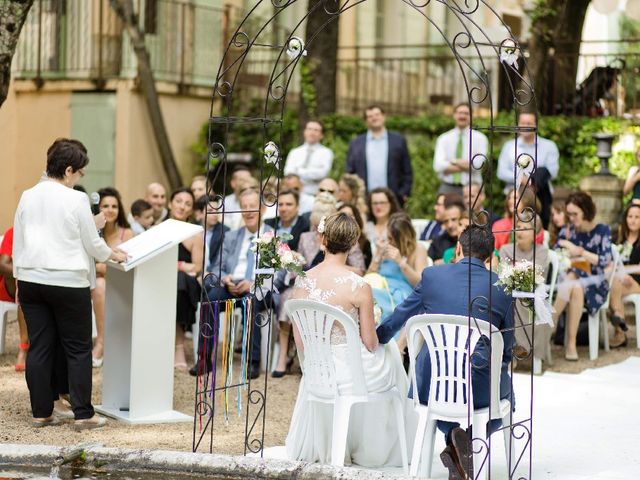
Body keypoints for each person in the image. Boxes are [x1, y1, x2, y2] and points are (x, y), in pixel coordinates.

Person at [377, 225, 514, 479]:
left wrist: (379, 337)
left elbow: (401, 316)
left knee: (436, 396)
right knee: (509, 397)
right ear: (489, 257)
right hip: (481, 386)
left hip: (433, 382)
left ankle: (453, 436)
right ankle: (468, 440)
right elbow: (506, 349)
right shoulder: (503, 287)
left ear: (458, 248)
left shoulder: (432, 277)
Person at [13, 138, 127, 429]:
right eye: (79, 173)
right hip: (67, 281)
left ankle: (41, 412)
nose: (79, 178)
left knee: (39, 347)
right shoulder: (75, 198)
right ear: (67, 170)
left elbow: (19, 241)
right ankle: (83, 414)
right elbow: (93, 245)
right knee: (77, 348)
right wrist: (113, 254)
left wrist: (18, 276)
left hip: (30, 278)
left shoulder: (28, 194)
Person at [286, 212, 408, 467]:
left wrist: (316, 359)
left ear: (322, 239)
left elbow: (299, 340)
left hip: (317, 371)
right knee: (393, 355)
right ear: (353, 243)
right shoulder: (358, 285)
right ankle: (375, 446)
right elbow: (370, 343)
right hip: (351, 374)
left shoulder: (301, 281)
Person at [205, 188, 275, 379]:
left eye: (253, 206)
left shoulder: (272, 237)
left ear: (263, 209)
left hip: (258, 286)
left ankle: (252, 361)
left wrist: (253, 283)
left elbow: (279, 272)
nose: (248, 211)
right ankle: (204, 357)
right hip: (231, 284)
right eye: (244, 207)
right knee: (210, 299)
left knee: (251, 302)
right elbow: (217, 265)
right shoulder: (232, 236)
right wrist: (225, 278)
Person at [552, 191, 612, 361]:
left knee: (574, 276)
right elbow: (557, 251)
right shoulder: (568, 230)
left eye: (574, 214)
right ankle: (571, 343)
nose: (570, 218)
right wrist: (568, 247)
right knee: (576, 285)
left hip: (595, 283)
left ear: (585, 211)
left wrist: (581, 253)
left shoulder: (602, 230)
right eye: (568, 214)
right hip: (574, 285)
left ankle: (551, 319)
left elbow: (605, 260)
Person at [499, 215, 551, 366]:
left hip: (533, 295)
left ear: (535, 234)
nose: (520, 231)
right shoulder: (506, 249)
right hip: (511, 293)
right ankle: (512, 353)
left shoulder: (542, 251)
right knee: (510, 303)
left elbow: (536, 275)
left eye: (525, 229)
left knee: (532, 305)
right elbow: (503, 274)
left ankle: (525, 351)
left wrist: (516, 273)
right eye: (518, 227)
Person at [91, 187, 135, 367]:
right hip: (93, 285)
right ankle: (101, 341)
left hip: (121, 284)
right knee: (100, 284)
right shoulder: (91, 233)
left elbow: (128, 265)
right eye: (105, 206)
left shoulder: (128, 233)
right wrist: (104, 268)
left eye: (114, 206)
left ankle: (103, 342)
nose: (110, 210)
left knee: (100, 282)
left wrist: (101, 266)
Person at [497, 112, 559, 228]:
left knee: (539, 230)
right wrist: (522, 179)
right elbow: (501, 172)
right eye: (522, 123)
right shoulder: (510, 146)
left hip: (540, 197)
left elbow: (552, 172)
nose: (525, 126)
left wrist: (533, 182)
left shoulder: (549, 146)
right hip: (514, 197)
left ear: (536, 125)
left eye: (529, 123)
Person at [367, 213, 429, 321]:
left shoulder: (418, 249)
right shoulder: (385, 247)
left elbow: (421, 283)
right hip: (380, 288)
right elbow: (368, 276)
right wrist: (378, 255)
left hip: (400, 294)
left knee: (374, 303)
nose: (389, 242)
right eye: (388, 237)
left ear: (402, 238)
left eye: (392, 239)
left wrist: (401, 263)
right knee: (365, 296)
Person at [346, 105, 412, 205]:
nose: (374, 118)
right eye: (370, 116)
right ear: (366, 121)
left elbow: (407, 170)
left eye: (377, 114)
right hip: (364, 199)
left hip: (393, 198)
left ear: (384, 116)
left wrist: (403, 193)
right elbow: (350, 171)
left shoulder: (398, 140)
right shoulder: (356, 143)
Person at [168, 188, 204, 371]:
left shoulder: (194, 235)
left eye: (187, 204)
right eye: (179, 201)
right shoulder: (158, 230)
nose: (182, 206)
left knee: (179, 283)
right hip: (161, 279)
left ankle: (178, 347)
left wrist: (176, 266)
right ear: (170, 203)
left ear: (191, 210)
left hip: (185, 285)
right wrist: (181, 265)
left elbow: (196, 267)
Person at [433, 102, 488, 196]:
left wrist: (453, 162)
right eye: (459, 113)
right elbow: (438, 166)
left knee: (473, 211)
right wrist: (467, 165)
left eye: (466, 113)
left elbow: (477, 165)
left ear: (471, 116)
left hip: (472, 188)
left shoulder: (480, 138)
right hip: (448, 187)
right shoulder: (443, 138)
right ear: (454, 115)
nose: (462, 116)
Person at [607, 203, 640, 349]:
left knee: (614, 284)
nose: (632, 220)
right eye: (630, 216)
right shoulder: (617, 239)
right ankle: (620, 328)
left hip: (637, 283)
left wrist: (624, 272)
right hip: (619, 281)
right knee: (616, 282)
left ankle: (620, 331)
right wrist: (621, 273)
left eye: (637, 217)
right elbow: (608, 264)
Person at [0, 226, 29, 371]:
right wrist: (25, 274)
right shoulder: (13, 232)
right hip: (12, 284)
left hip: (40, 283)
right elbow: (3, 264)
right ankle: (23, 348)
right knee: (24, 287)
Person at [284, 120, 334, 195]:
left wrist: (299, 171)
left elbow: (323, 173)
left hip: (315, 194)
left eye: (316, 130)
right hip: (295, 193)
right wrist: (312, 172)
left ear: (321, 135)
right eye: (309, 129)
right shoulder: (294, 152)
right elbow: (288, 172)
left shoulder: (326, 153)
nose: (312, 133)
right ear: (304, 132)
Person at [492, 187, 541, 251]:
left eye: (515, 198)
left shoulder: (536, 223)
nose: (510, 201)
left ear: (527, 200)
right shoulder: (499, 225)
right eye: (509, 198)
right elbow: (494, 249)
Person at [364, 187, 401, 251]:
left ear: (390, 204)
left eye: (382, 203)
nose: (378, 207)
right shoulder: (366, 227)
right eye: (375, 203)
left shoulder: (398, 226)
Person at [339, 202, 372, 269]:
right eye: (342, 215)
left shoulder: (365, 242)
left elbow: (365, 270)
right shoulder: (330, 240)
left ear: (356, 218)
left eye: (350, 215)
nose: (346, 219)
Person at [223, 165, 255, 230]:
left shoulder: (260, 201)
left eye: (248, 179)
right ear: (233, 183)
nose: (246, 182)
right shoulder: (224, 202)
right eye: (242, 180)